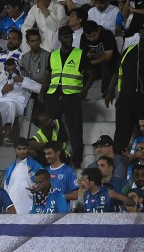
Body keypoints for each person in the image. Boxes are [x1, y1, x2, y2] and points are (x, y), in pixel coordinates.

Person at [106, 23, 144, 154]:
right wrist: (109, 92)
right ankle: (118, 162)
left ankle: (143, 163)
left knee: (143, 134)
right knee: (121, 133)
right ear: (140, 34)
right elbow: (116, 72)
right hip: (125, 100)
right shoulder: (128, 51)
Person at [44, 27, 86, 167]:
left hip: (72, 95)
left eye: (70, 36)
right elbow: (49, 75)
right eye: (66, 37)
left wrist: (84, 90)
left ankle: (77, 160)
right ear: (60, 38)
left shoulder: (79, 54)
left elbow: (90, 73)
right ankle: (56, 157)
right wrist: (42, 91)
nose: (69, 39)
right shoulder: (53, 54)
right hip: (54, 94)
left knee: (75, 128)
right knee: (53, 127)